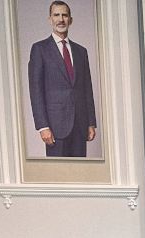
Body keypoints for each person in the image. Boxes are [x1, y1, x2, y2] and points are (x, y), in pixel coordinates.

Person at [28, 1, 97, 158]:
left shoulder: (81, 52)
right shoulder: (39, 49)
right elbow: (35, 90)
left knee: (80, 171)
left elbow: (87, 89)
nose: (61, 19)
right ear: (50, 19)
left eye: (64, 15)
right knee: (58, 171)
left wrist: (91, 122)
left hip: (80, 125)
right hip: (55, 127)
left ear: (70, 20)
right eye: (56, 15)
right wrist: (42, 126)